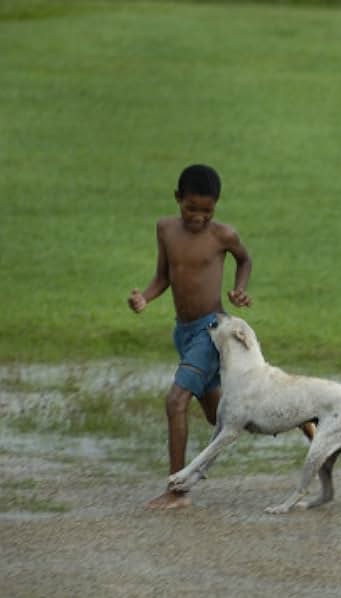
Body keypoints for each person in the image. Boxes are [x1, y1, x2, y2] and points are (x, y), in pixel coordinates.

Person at [128, 164, 253, 509]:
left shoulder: (223, 235)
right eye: (191, 209)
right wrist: (145, 298)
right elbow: (163, 276)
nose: (198, 217)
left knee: (175, 401)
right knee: (220, 417)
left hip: (212, 330)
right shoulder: (166, 230)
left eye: (207, 211)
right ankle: (297, 418)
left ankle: (177, 491)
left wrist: (239, 289)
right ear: (177, 198)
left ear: (217, 205)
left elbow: (245, 260)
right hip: (183, 333)